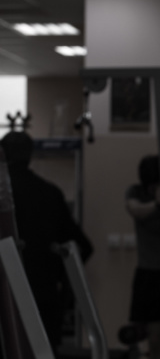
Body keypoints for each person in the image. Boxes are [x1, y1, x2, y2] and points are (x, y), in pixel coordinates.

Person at [0, 131, 93, 351]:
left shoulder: (4, 196)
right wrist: (58, 276)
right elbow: (83, 247)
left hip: (5, 297)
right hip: (43, 294)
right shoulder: (50, 193)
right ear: (30, 155)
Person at [125, 155, 160, 359]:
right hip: (148, 272)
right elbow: (135, 210)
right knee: (152, 335)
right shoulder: (136, 192)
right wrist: (157, 202)